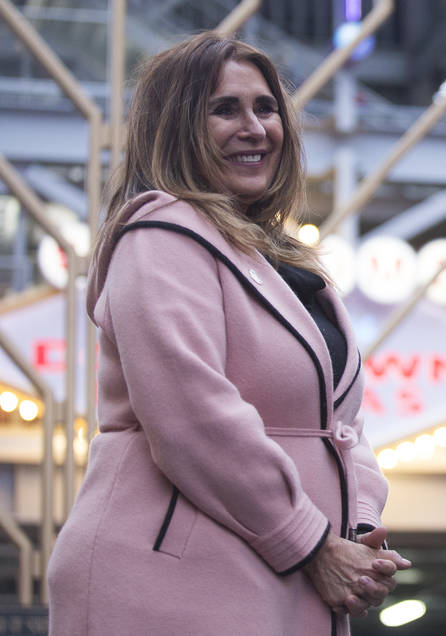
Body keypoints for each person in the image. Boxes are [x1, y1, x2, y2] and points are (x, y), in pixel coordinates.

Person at [47, 32, 410, 635]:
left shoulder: (283, 260)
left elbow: (341, 425)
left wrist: (357, 525)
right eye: (224, 109)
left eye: (266, 108)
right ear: (174, 127)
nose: (255, 127)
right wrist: (313, 543)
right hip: (173, 580)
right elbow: (193, 418)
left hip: (280, 568)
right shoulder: (161, 234)